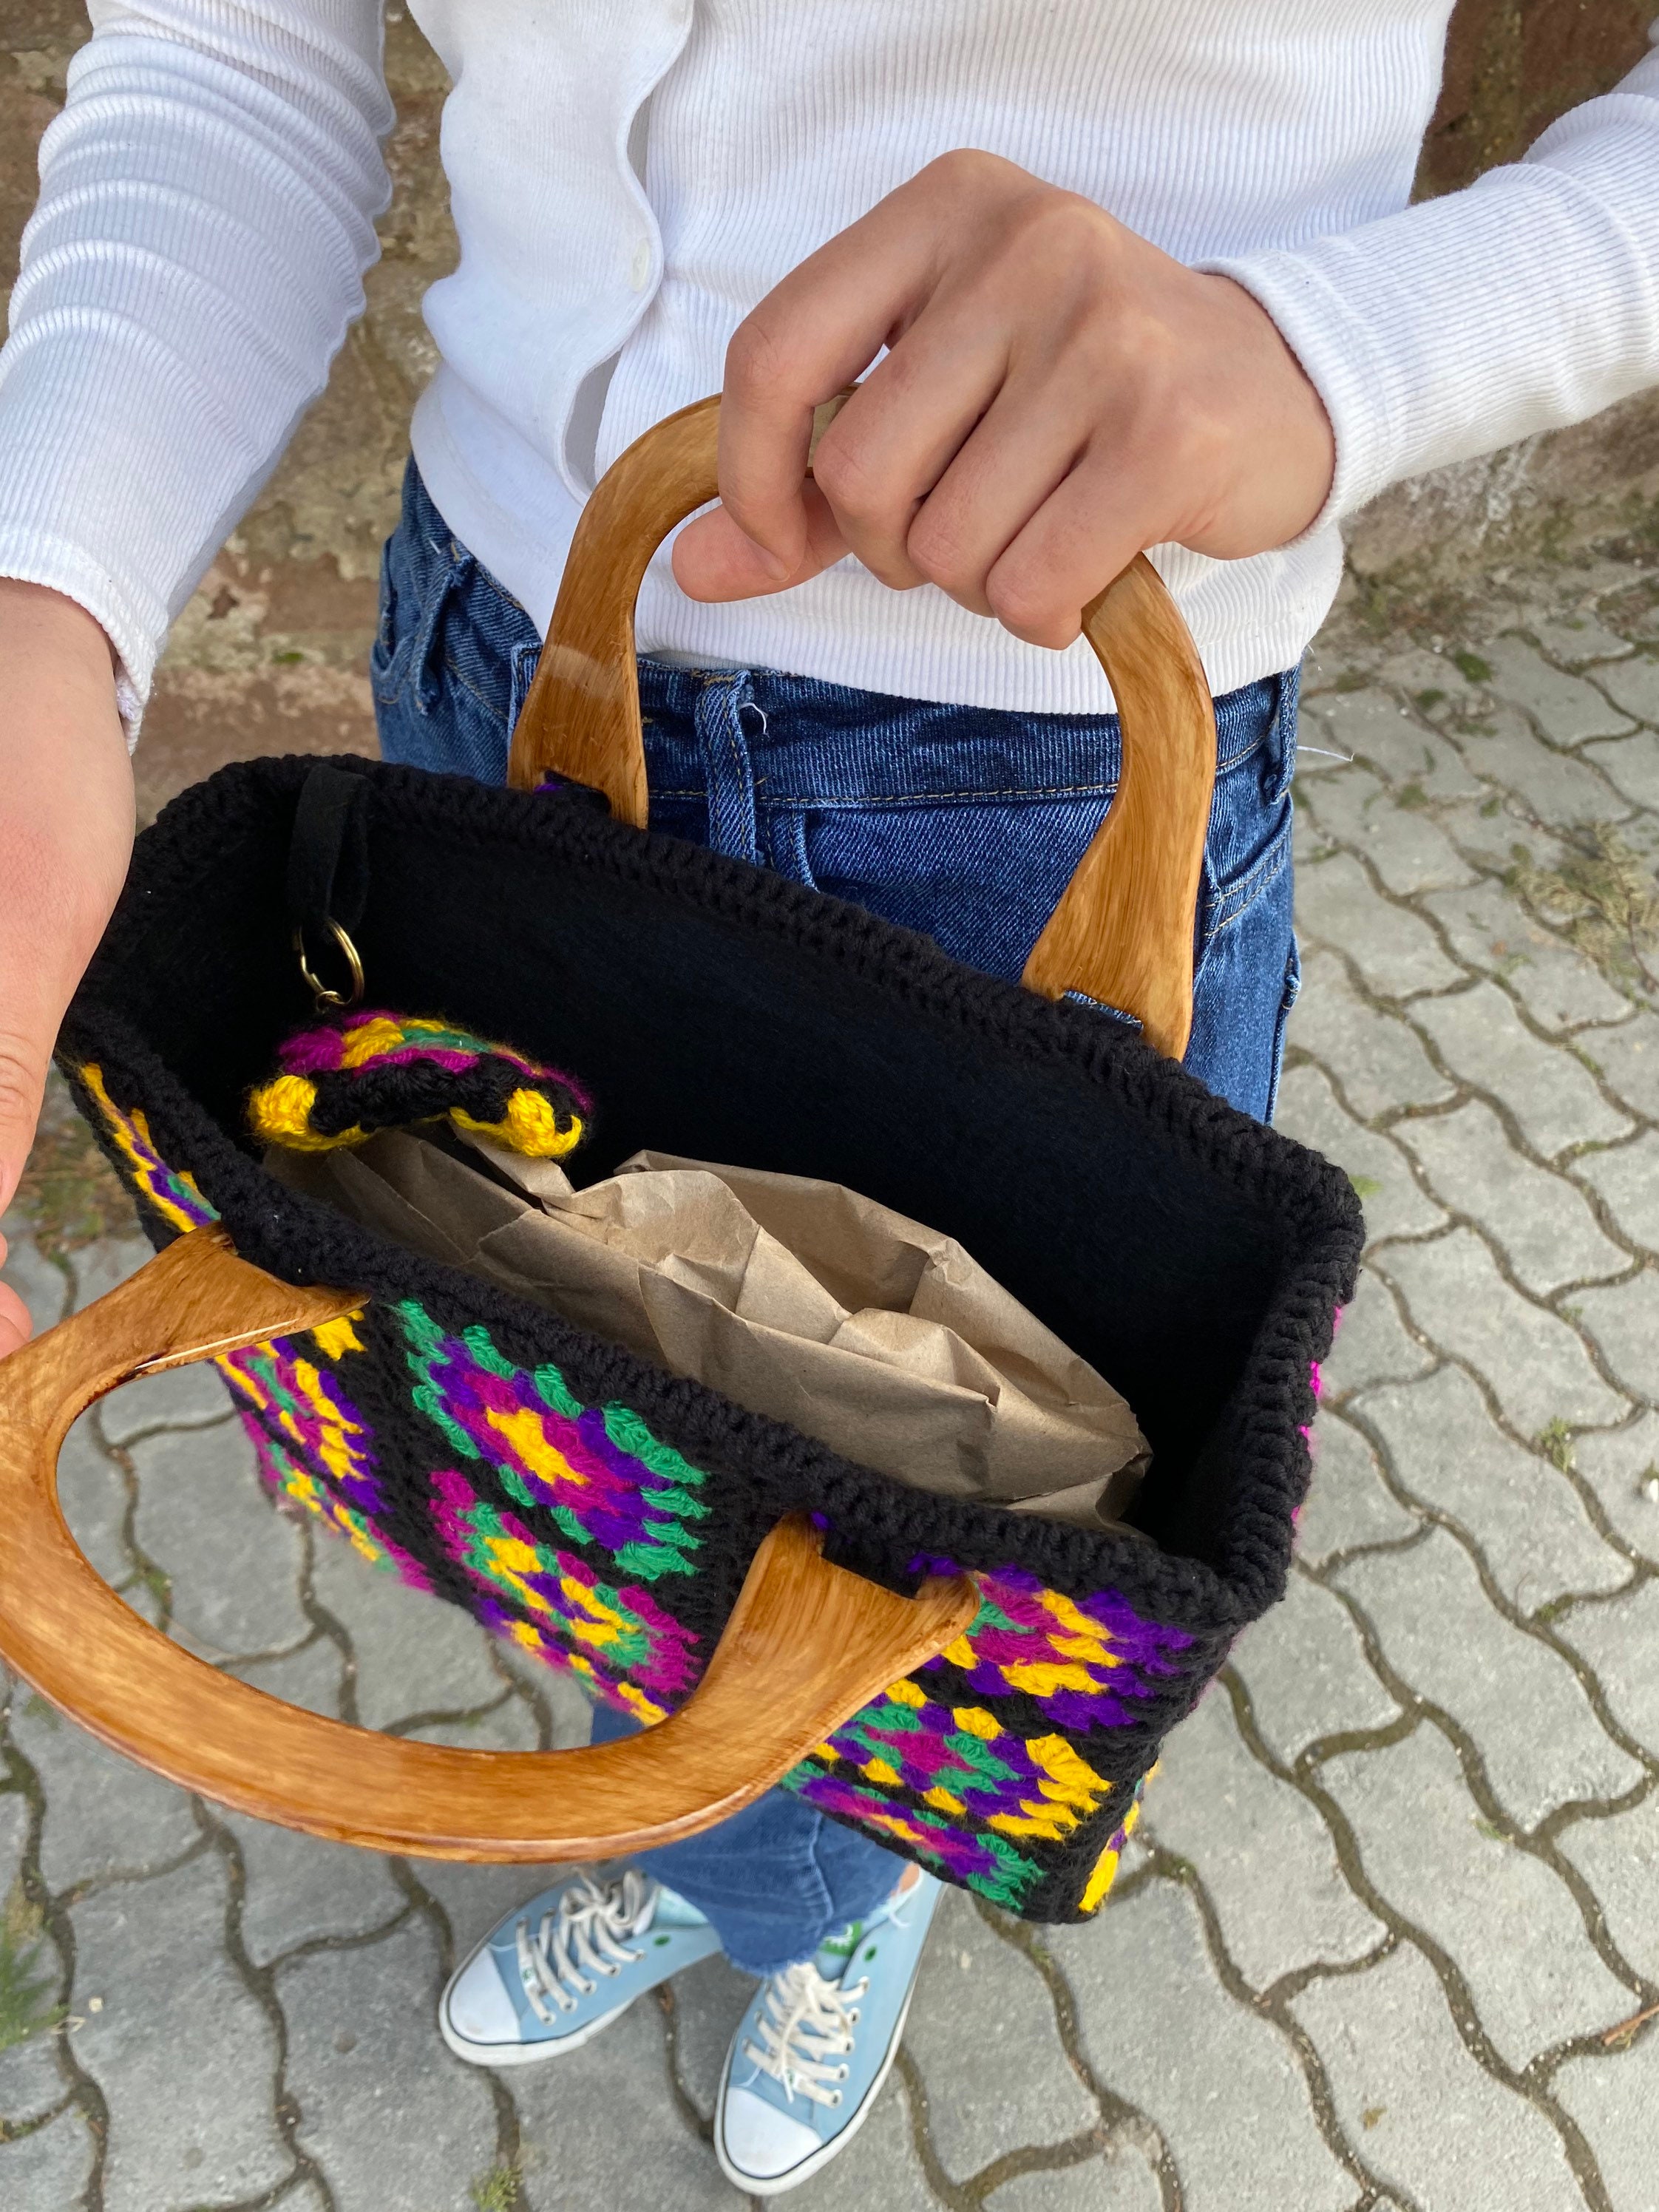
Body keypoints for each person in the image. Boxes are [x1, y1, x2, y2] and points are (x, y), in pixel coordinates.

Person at [2, 1, 1656, 2192]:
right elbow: (234, 43)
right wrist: (41, 610)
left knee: (903, 1571)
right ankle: (724, 1823)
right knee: (580, 1472)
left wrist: (1348, 346)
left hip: (1031, 762)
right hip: (494, 641)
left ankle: (812, 1899)